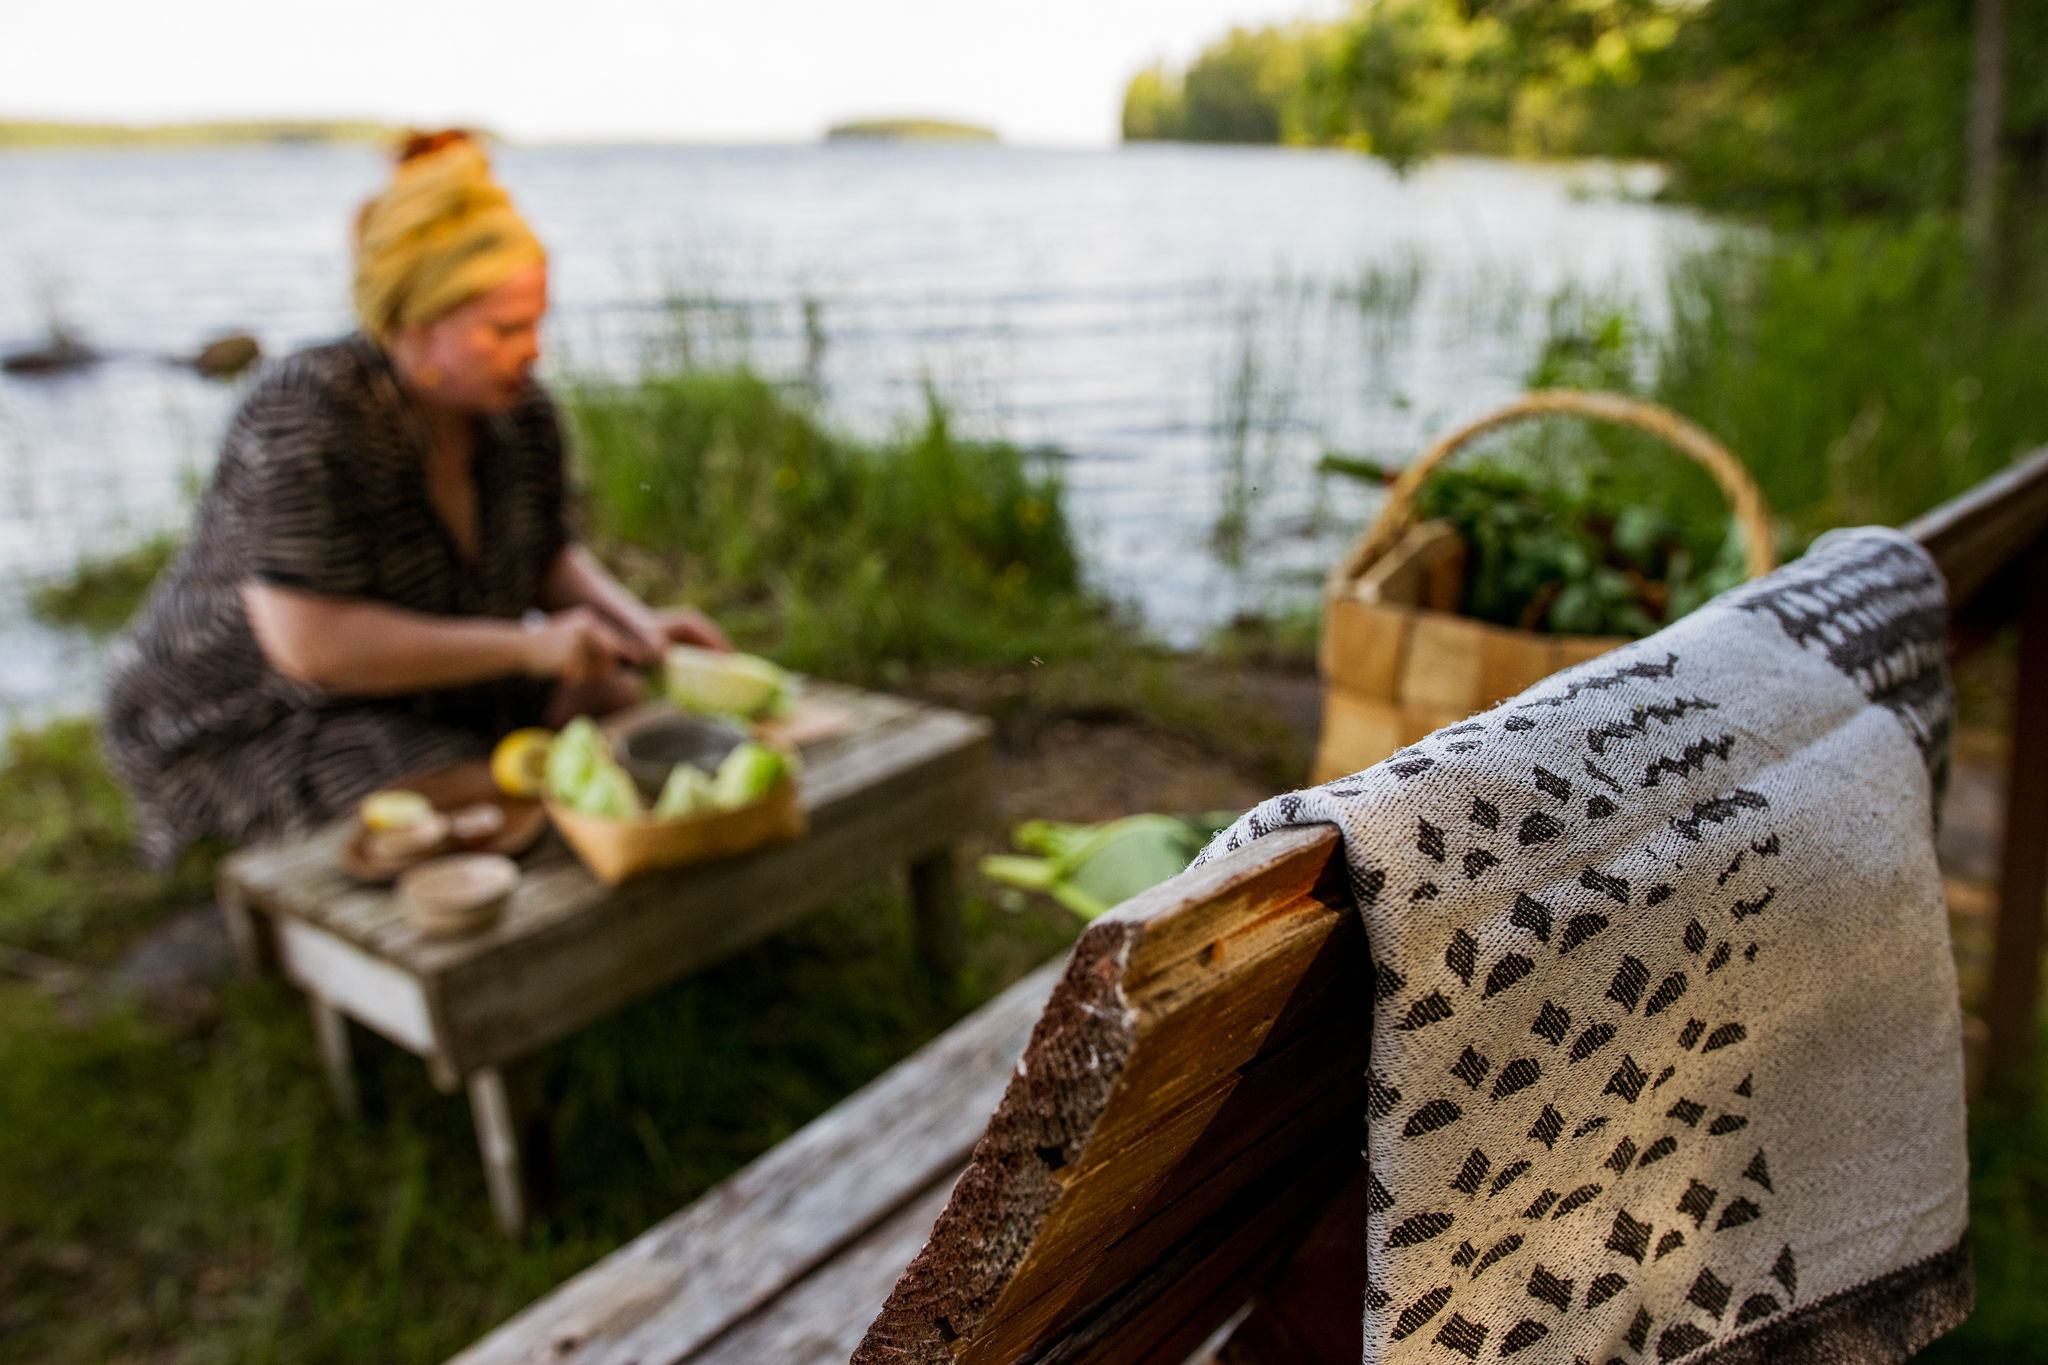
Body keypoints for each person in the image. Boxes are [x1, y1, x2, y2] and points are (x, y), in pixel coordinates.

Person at [104, 130, 726, 866]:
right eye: (504, 329)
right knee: (476, 807)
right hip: (258, 711)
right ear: (418, 329)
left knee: (622, 705)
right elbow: (312, 647)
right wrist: (530, 648)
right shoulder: (304, 412)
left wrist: (640, 623)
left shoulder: (520, 411)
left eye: (536, 322)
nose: (534, 349)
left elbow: (549, 554)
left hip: (435, 680)